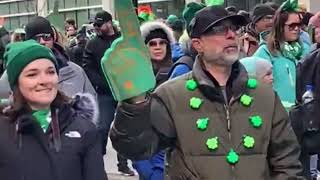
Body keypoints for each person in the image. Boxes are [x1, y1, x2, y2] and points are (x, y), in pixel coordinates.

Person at [110, 5, 303, 179]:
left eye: (233, 29)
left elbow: (287, 161)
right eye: (219, 29)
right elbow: (136, 148)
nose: (230, 35)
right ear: (197, 44)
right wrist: (133, 101)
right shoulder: (171, 95)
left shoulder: (265, 96)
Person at [0, 40, 105, 180]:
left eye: (50, 72)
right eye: (32, 74)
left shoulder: (84, 129)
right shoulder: (3, 130)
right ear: (16, 84)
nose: (44, 80)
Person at [83, 10, 134, 176]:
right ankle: (97, 160)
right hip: (105, 93)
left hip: (125, 91)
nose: (96, 28)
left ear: (109, 23)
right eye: (94, 25)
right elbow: (88, 67)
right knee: (103, 127)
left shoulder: (122, 40)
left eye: (99, 24)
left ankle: (123, 163)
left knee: (125, 129)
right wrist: (103, 84)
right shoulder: (92, 44)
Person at [133, 21, 175, 180]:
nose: (158, 47)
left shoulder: (177, 72)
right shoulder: (137, 77)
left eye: (162, 42)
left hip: (172, 149)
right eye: (152, 43)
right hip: (145, 149)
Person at [253, 2, 310, 109]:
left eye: (298, 25)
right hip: (280, 115)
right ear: (280, 26)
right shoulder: (265, 52)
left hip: (306, 114)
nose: (297, 29)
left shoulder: (306, 49)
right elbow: (257, 88)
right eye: (292, 26)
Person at [23, 16, 96, 98]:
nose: (42, 42)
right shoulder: (17, 73)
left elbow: (91, 103)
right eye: (36, 38)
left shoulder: (75, 71)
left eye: (46, 37)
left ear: (53, 39)